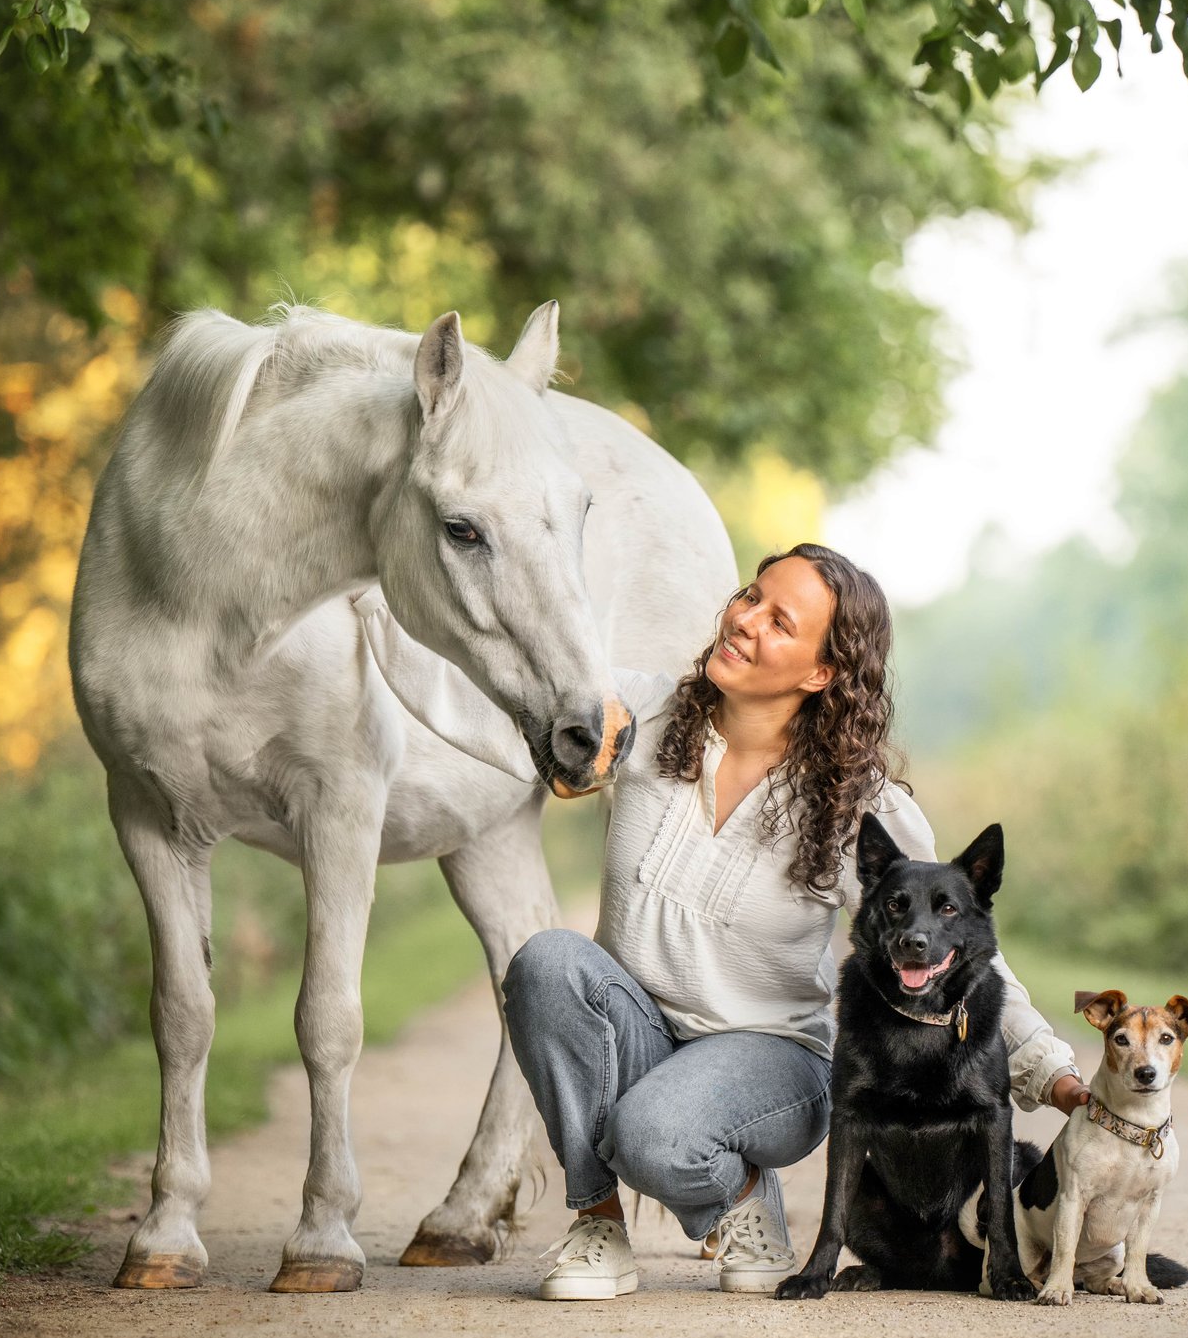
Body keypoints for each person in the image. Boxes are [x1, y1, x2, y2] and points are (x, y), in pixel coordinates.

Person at [353, 544, 1088, 1300]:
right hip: (638, 1028)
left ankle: (744, 1200)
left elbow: (959, 948)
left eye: (780, 621)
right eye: (750, 596)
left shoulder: (855, 801)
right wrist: (373, 609)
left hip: (773, 1061)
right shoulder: (642, 715)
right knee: (545, 963)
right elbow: (495, 701)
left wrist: (1054, 1075)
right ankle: (598, 1223)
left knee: (653, 1135)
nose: (744, 620)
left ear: (821, 672)